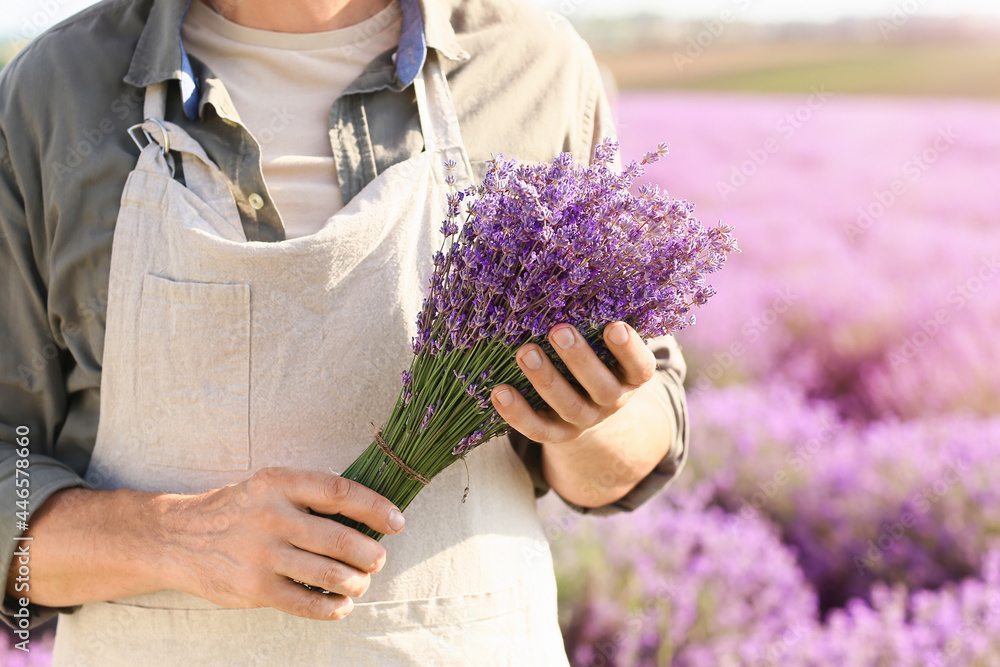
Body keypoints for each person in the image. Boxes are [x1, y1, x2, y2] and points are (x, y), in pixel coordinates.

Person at [0, 0, 689, 663]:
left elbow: (640, 435)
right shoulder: (55, 93)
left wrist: (590, 420)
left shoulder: (534, 66)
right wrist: (178, 538)